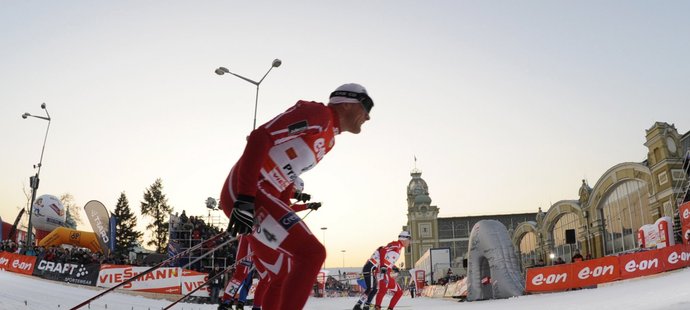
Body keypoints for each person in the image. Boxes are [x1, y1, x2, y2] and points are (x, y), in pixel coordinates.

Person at [219, 82, 368, 310]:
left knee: (282, 274)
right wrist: (245, 197)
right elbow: (260, 137)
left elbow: (287, 174)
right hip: (249, 189)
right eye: (366, 106)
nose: (368, 116)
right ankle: (227, 301)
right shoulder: (319, 114)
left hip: (262, 193)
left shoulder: (329, 139)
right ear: (347, 104)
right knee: (312, 254)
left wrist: (290, 201)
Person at [218, 178, 322, 310]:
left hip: (264, 238)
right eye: (296, 190)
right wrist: (299, 198)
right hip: (252, 235)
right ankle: (225, 303)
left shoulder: (284, 188)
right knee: (242, 272)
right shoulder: (279, 183)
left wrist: (307, 205)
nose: (294, 192)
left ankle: (256, 306)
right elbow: (277, 199)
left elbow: (287, 207)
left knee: (267, 278)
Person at [353, 231, 411, 310]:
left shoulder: (399, 247)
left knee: (376, 289)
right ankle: (360, 305)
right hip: (375, 269)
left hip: (380, 270)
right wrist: (383, 266)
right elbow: (383, 250)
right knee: (373, 289)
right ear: (404, 239)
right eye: (409, 239)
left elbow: (386, 259)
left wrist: (394, 267)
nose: (410, 242)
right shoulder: (396, 244)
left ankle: (366, 305)